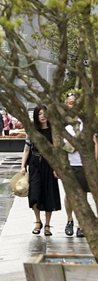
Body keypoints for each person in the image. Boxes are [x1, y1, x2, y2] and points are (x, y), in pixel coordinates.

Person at [20, 105, 61, 235]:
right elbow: (27, 148)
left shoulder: (54, 130)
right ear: (36, 116)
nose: (43, 116)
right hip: (35, 164)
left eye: (44, 113)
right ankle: (38, 221)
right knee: (34, 194)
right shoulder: (32, 130)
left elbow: (57, 151)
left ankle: (47, 225)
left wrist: (57, 167)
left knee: (49, 194)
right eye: (40, 114)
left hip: (49, 164)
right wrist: (22, 166)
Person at [63, 92, 91, 238]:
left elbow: (94, 143)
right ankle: (70, 221)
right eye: (70, 103)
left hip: (82, 164)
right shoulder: (61, 123)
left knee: (83, 195)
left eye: (75, 103)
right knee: (69, 196)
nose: (73, 105)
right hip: (68, 165)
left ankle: (81, 225)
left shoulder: (84, 123)